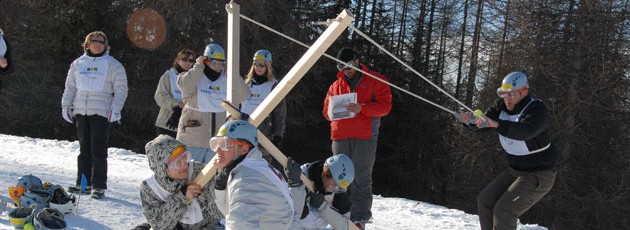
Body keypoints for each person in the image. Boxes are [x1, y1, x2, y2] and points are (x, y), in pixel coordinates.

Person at [457, 71, 559, 230]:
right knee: (485, 201)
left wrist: (496, 124)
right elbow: (485, 123)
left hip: (539, 174)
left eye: (511, 94)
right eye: (503, 94)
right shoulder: (500, 105)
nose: (507, 98)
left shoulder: (537, 110)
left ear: (524, 91)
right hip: (515, 171)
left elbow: (525, 131)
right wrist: (470, 122)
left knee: (503, 210)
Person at [322, 47, 392, 226]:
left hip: (364, 133)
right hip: (340, 134)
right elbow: (325, 112)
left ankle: (359, 217)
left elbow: (385, 106)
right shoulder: (335, 85)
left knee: (361, 176)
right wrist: (334, 110)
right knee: (336, 175)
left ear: (358, 61)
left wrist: (363, 108)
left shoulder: (375, 80)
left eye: (348, 65)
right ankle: (338, 213)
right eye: (340, 67)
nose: (346, 70)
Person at [61, 31, 128, 199]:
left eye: (101, 41)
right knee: (84, 150)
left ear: (105, 45)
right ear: (87, 44)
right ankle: (83, 184)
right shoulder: (78, 63)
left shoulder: (113, 64)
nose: (97, 44)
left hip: (101, 110)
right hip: (81, 111)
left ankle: (98, 186)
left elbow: (121, 89)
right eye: (94, 41)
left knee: (98, 150)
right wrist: (66, 106)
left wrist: (116, 108)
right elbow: (70, 87)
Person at [211, 119, 304, 229]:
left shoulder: (248, 178)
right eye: (216, 144)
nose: (218, 150)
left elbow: (239, 223)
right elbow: (231, 212)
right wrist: (220, 187)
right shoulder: (257, 167)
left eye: (225, 144)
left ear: (244, 149)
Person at [175, 43, 249, 163]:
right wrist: (198, 66)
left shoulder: (226, 79)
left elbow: (244, 94)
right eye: (214, 63)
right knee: (188, 172)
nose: (217, 67)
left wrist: (233, 74)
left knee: (211, 177)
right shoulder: (194, 76)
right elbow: (184, 85)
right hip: (192, 139)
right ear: (205, 61)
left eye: (221, 63)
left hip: (217, 142)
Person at [140, 135, 223, 230]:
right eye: (178, 162)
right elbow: (159, 225)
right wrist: (181, 197)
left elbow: (218, 214)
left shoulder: (200, 172)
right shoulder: (150, 188)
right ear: (162, 168)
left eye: (185, 157)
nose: (184, 165)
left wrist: (210, 189)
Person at [284, 154, 356, 230]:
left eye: (339, 188)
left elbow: (346, 225)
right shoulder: (303, 176)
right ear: (325, 173)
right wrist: (296, 186)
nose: (333, 189)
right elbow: (295, 214)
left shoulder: (338, 192)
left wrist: (323, 207)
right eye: (333, 184)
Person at [242, 49, 286, 146]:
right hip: (244, 129)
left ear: (268, 66)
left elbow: (279, 112)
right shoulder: (246, 83)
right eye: (256, 64)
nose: (259, 67)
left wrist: (278, 134)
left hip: (263, 131)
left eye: (262, 65)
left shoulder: (273, 85)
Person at [154, 49, 196, 138]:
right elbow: (160, 96)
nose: (187, 63)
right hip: (167, 123)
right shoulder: (169, 75)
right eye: (184, 59)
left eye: (190, 60)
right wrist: (177, 104)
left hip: (186, 126)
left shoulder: (194, 78)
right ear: (178, 60)